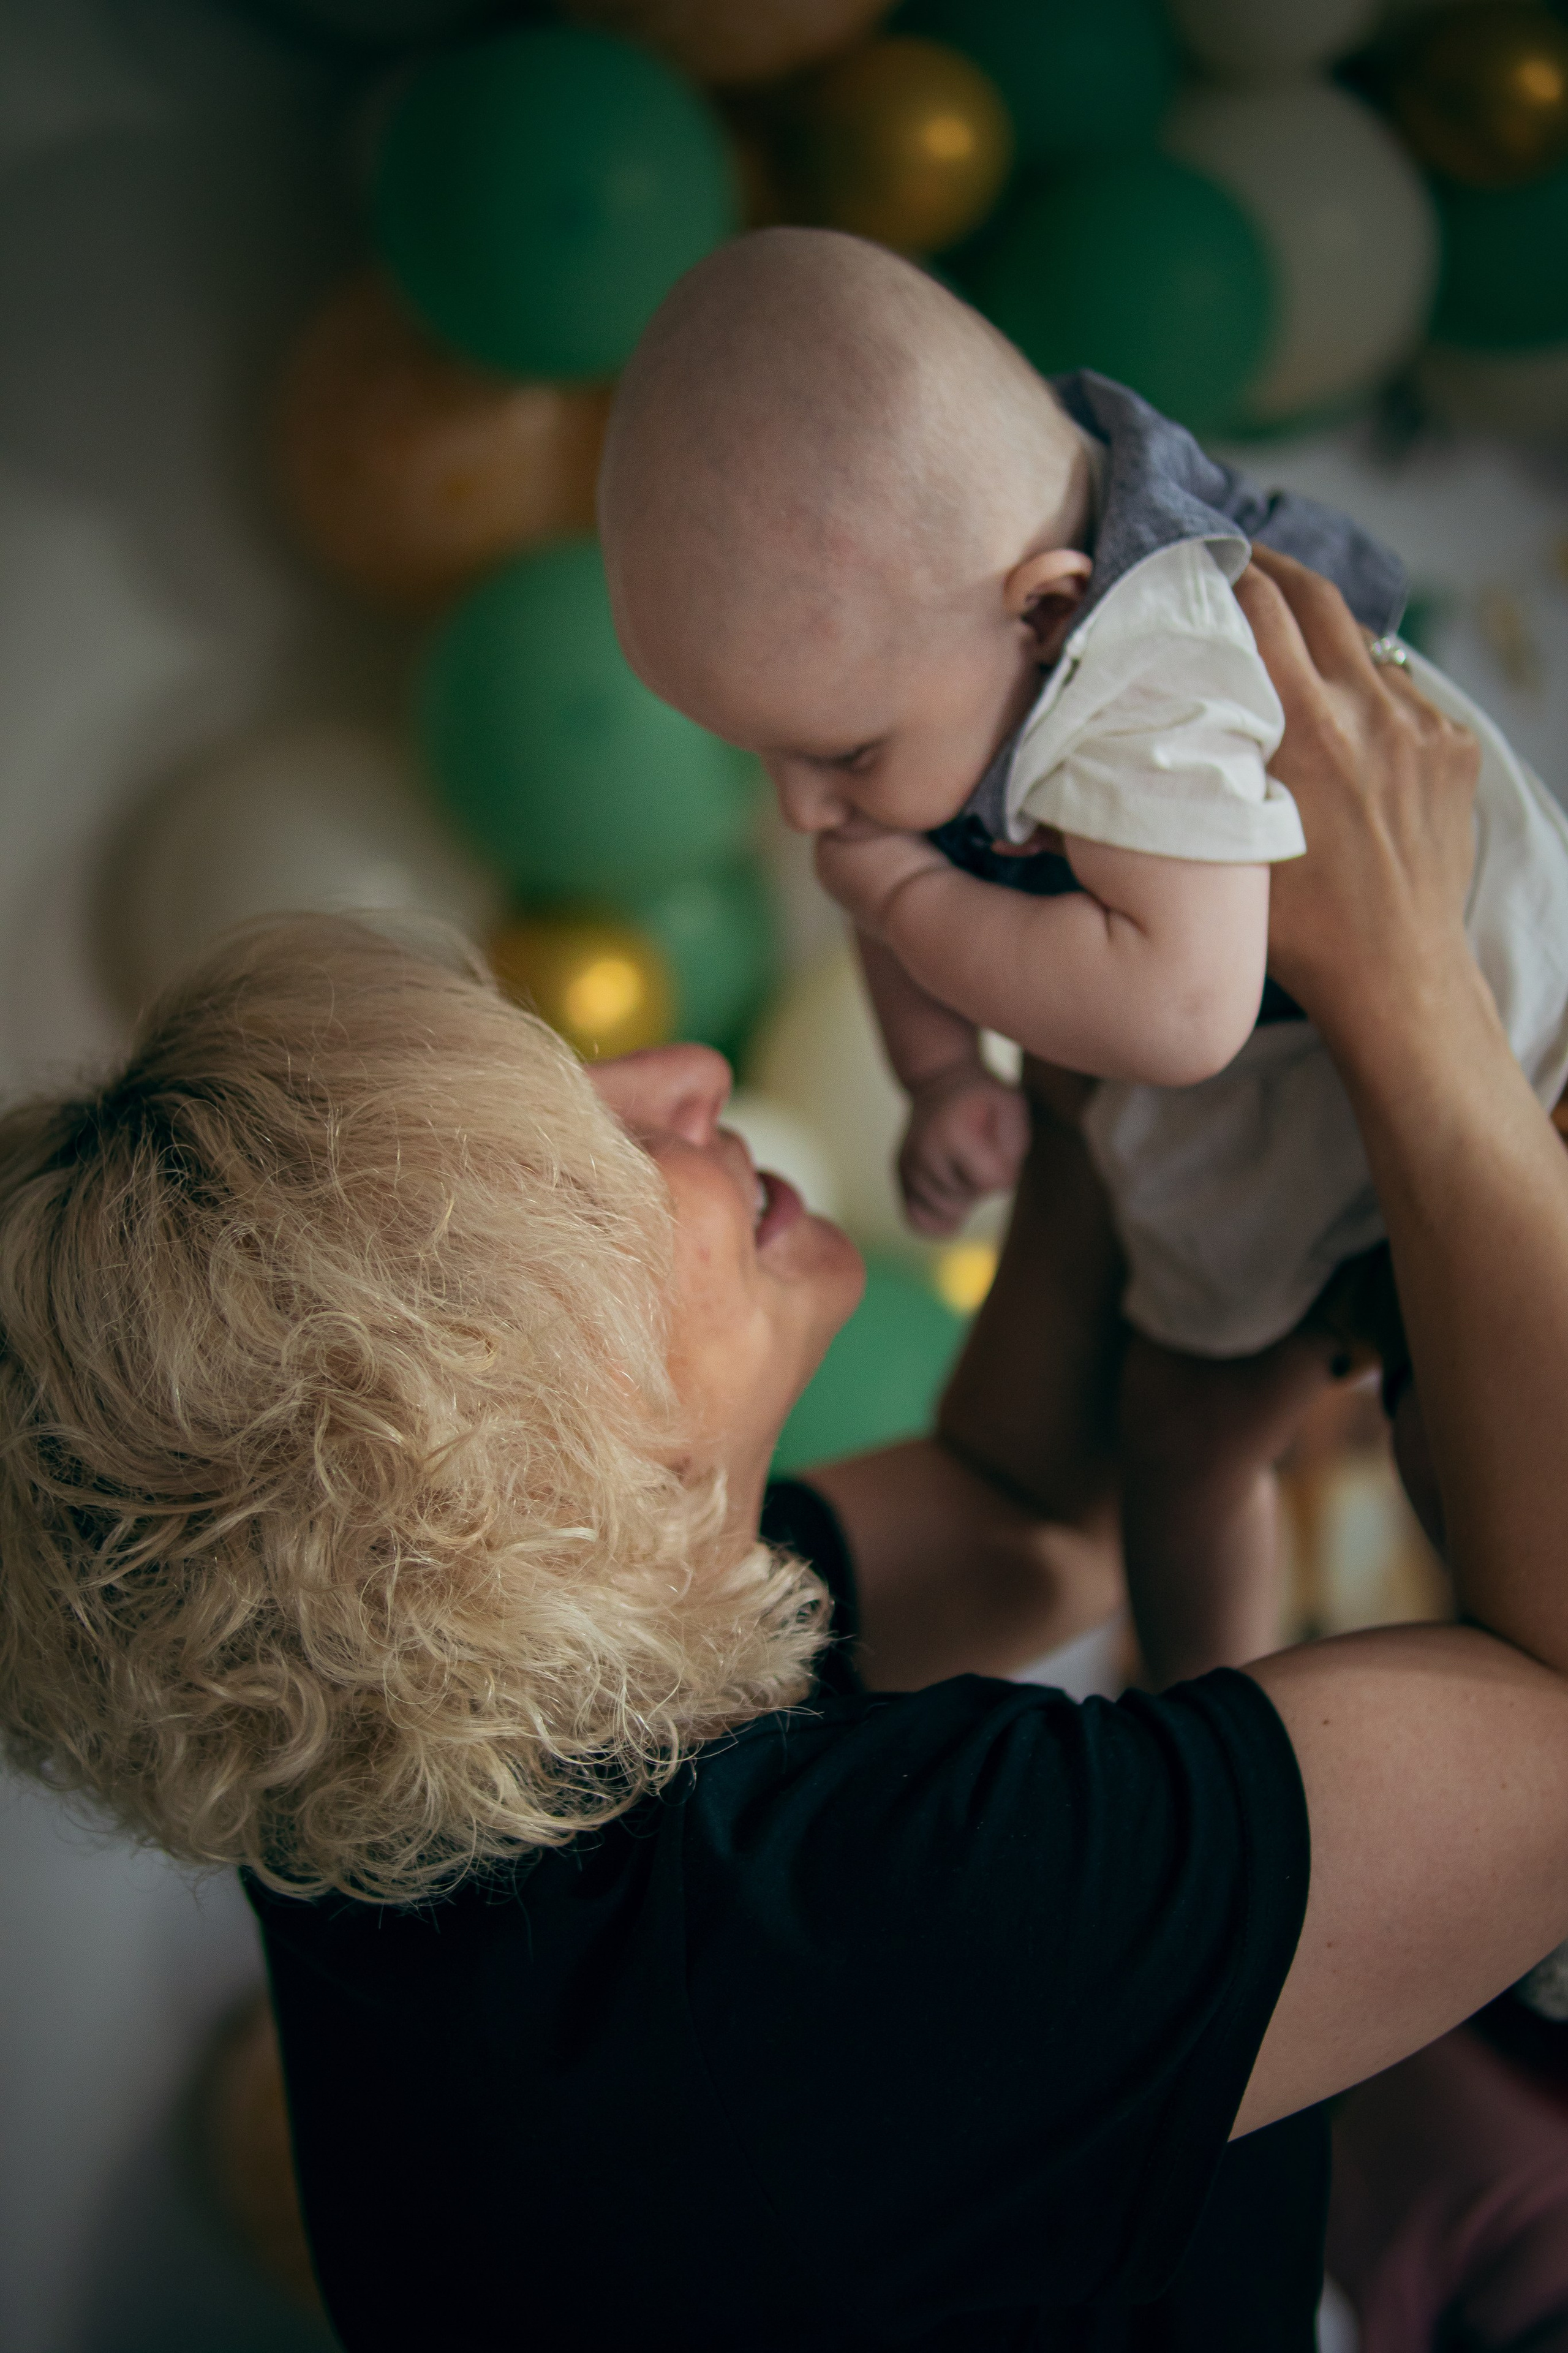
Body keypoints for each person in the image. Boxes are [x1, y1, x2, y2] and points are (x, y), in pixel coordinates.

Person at [6, 553, 1568, 2348]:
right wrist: (1413, 981)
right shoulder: (874, 1935)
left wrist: (1087, 1079)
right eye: (587, 1167)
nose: (678, 1072)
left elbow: (1018, 1515)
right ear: (473, 1448)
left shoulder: (417, 1765)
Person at [598, 227, 1568, 1686]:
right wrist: (936, 1071)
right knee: (1176, 1452)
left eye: (841, 751)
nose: (804, 809)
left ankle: (1440, 1780)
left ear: (1048, 607)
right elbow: (918, 877)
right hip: (1306, 1085)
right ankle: (1206, 1715)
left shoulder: (1154, 676)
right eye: (772, 758)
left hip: (1503, 1063)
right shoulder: (981, 630)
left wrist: (916, 910)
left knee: (1475, 1490)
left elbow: (1176, 1012)